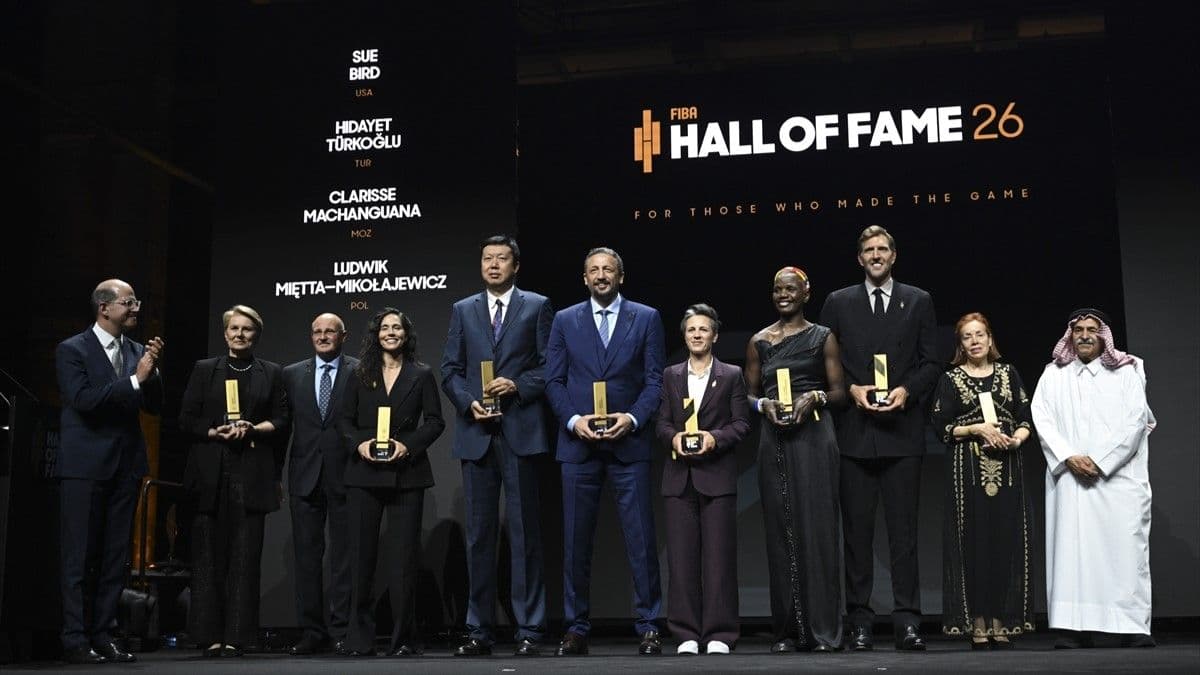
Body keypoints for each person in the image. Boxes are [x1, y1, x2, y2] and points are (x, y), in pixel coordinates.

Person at [819, 225, 941, 651]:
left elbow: (931, 362)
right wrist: (851, 390)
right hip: (854, 435)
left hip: (902, 435)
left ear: (894, 255)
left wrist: (907, 391)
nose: (876, 255)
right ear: (860, 258)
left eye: (882, 249)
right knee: (856, 536)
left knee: (904, 535)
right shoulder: (838, 302)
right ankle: (860, 622)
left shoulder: (919, 300)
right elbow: (824, 361)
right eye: (868, 250)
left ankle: (907, 622)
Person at [545, 246, 665, 656]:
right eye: (593, 270)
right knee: (575, 542)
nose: (601, 275)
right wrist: (572, 421)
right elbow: (553, 381)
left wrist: (631, 418)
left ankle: (649, 626)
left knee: (641, 540)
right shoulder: (565, 320)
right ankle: (576, 628)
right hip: (578, 446)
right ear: (584, 278)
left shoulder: (646, 317)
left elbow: (654, 382)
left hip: (628, 443)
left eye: (608, 269)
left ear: (620, 276)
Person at [441, 235, 553, 657]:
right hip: (477, 433)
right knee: (479, 537)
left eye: (501, 258)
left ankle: (530, 629)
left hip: (520, 430)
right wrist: (468, 403)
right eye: (487, 258)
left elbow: (549, 366)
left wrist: (518, 385)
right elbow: (450, 369)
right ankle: (478, 630)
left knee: (525, 536)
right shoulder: (463, 309)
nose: (493, 265)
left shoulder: (537, 306)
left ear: (515, 265)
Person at [1031, 308, 1156, 649]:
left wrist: (1101, 462)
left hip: (1118, 480)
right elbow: (1042, 417)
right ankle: (1072, 628)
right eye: (1078, 330)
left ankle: (1131, 626)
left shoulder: (1128, 371)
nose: (1085, 335)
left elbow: (1136, 421)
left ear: (1104, 337)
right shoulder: (1053, 374)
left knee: (1124, 553)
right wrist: (1069, 456)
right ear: (1070, 336)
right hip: (1070, 479)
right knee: (1071, 555)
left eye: (1092, 330)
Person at [54, 279, 164, 665]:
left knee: (115, 557)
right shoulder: (72, 350)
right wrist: (135, 379)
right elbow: (83, 400)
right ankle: (74, 637)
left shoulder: (136, 350)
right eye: (128, 302)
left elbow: (153, 406)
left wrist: (152, 372)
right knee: (79, 556)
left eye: (136, 301)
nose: (136, 308)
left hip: (126, 466)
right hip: (85, 467)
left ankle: (104, 634)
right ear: (104, 308)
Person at [746, 268, 847, 652]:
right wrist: (763, 405)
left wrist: (815, 397)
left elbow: (839, 393)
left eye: (790, 289)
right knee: (780, 531)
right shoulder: (760, 341)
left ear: (806, 292)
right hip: (775, 437)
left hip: (815, 436)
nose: (783, 295)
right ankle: (787, 631)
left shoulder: (823, 337)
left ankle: (823, 631)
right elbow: (747, 394)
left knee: (818, 530)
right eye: (777, 289)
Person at [179, 304, 288, 657]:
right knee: (206, 556)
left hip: (252, 470)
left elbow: (282, 420)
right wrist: (215, 431)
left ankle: (238, 636)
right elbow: (186, 420)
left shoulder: (272, 372)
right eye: (234, 328)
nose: (240, 334)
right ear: (225, 333)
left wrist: (252, 428)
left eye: (247, 329)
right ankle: (208, 635)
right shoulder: (204, 369)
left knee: (245, 556)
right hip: (210, 471)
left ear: (257, 335)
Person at [338, 308, 445, 657]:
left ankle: (403, 639)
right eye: (384, 327)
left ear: (406, 334)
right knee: (361, 559)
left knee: (403, 561)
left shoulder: (422, 374)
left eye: (397, 327)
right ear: (376, 334)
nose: (390, 332)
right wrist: (359, 444)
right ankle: (359, 639)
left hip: (407, 473)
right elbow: (344, 421)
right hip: (363, 473)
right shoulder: (358, 372)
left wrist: (407, 446)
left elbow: (435, 421)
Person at [930, 313, 1034, 649]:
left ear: (990, 339)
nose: (974, 341)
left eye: (979, 335)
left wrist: (1015, 440)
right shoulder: (950, 379)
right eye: (967, 337)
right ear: (960, 344)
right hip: (968, 470)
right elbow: (941, 426)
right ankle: (977, 622)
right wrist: (976, 428)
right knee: (973, 543)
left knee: (1005, 540)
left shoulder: (1008, 373)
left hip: (1008, 467)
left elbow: (1025, 418)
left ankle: (1000, 621)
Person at [655, 304, 750, 655]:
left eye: (703, 329)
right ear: (684, 335)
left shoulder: (731, 375)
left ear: (715, 335)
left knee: (719, 561)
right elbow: (662, 423)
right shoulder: (671, 375)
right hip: (679, 479)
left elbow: (741, 423)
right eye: (691, 329)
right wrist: (673, 438)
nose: (697, 334)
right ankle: (686, 634)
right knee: (681, 562)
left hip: (717, 478)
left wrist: (715, 438)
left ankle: (720, 633)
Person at [281, 313, 358, 656]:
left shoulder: (359, 370)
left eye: (330, 332)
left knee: (345, 558)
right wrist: (275, 475)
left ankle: (341, 630)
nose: (323, 336)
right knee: (307, 558)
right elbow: (284, 427)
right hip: (304, 476)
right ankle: (311, 631)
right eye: (317, 331)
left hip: (347, 475)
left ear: (344, 336)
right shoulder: (292, 374)